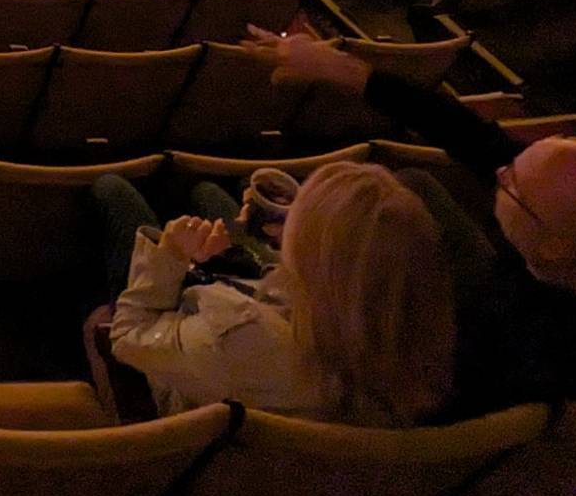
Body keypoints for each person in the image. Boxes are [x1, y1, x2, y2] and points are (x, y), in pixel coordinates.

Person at [253, 28, 576, 412]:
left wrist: (330, 248)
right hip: (510, 305)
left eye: (510, 182)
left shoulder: (503, 348)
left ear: (551, 246)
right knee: (412, 183)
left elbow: (405, 373)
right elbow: (473, 137)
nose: (500, 170)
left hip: (455, 359)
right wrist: (340, 68)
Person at [95, 164, 456, 424]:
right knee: (206, 193)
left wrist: (171, 255)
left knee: (113, 189)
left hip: (173, 370)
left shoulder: (243, 341)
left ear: (319, 266)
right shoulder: (407, 352)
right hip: (234, 359)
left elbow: (128, 337)